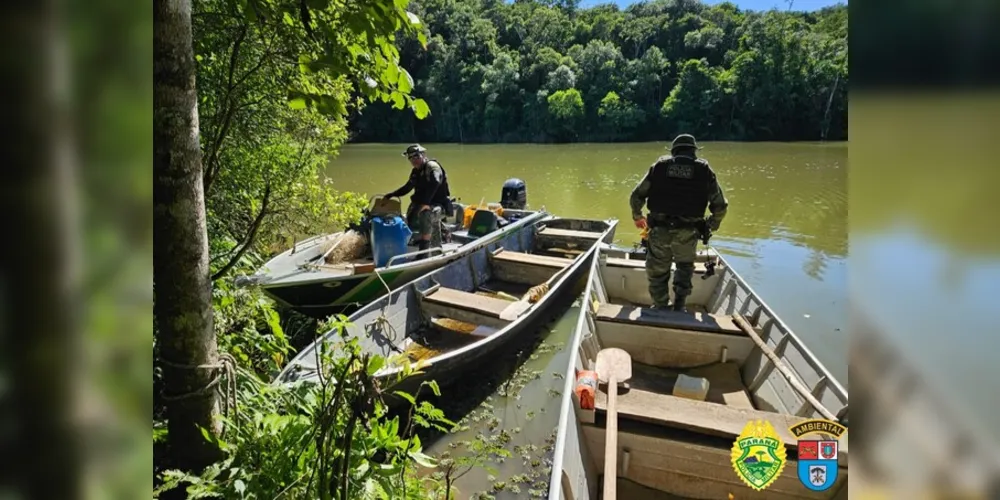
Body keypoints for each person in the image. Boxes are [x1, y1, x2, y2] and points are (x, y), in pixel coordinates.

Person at [629, 134, 728, 312]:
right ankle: (679, 306)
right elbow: (720, 205)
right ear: (693, 151)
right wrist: (711, 225)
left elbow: (636, 196)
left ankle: (660, 306)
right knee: (684, 269)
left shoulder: (659, 167)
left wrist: (638, 216)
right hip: (688, 233)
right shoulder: (704, 170)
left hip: (659, 231)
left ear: (674, 151)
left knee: (657, 272)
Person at [385, 144, 452, 258]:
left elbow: (436, 181)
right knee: (410, 217)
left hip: (439, 205)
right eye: (411, 158)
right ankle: (432, 243)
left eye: (416, 156)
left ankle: (423, 253)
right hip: (425, 204)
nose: (414, 160)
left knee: (426, 214)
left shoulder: (432, 166)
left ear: (423, 155)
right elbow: (408, 187)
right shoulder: (416, 172)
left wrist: (426, 203)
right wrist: (391, 195)